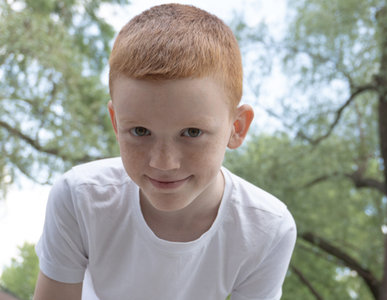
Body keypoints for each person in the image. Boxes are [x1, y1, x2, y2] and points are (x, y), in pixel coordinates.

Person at [33, 4, 296, 300]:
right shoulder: (79, 198)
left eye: (192, 133)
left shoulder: (267, 229)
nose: (164, 162)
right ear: (116, 122)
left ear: (236, 128)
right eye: (140, 132)